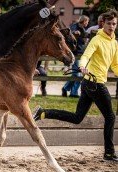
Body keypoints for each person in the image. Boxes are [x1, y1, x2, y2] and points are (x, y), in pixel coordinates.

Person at [33, 9, 118, 162]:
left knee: (77, 118)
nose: (111, 26)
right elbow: (85, 56)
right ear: (102, 24)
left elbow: (116, 65)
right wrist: (83, 65)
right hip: (94, 82)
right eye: (108, 23)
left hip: (88, 84)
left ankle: (44, 112)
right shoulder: (97, 40)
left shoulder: (114, 43)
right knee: (110, 117)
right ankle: (109, 152)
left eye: (114, 24)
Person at [62, 15, 89, 98]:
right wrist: (75, 32)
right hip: (74, 53)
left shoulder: (83, 29)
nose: (87, 23)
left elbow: (84, 37)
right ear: (84, 21)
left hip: (80, 53)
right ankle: (73, 93)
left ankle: (66, 88)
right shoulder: (75, 26)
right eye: (87, 21)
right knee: (78, 74)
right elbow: (71, 32)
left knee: (76, 74)